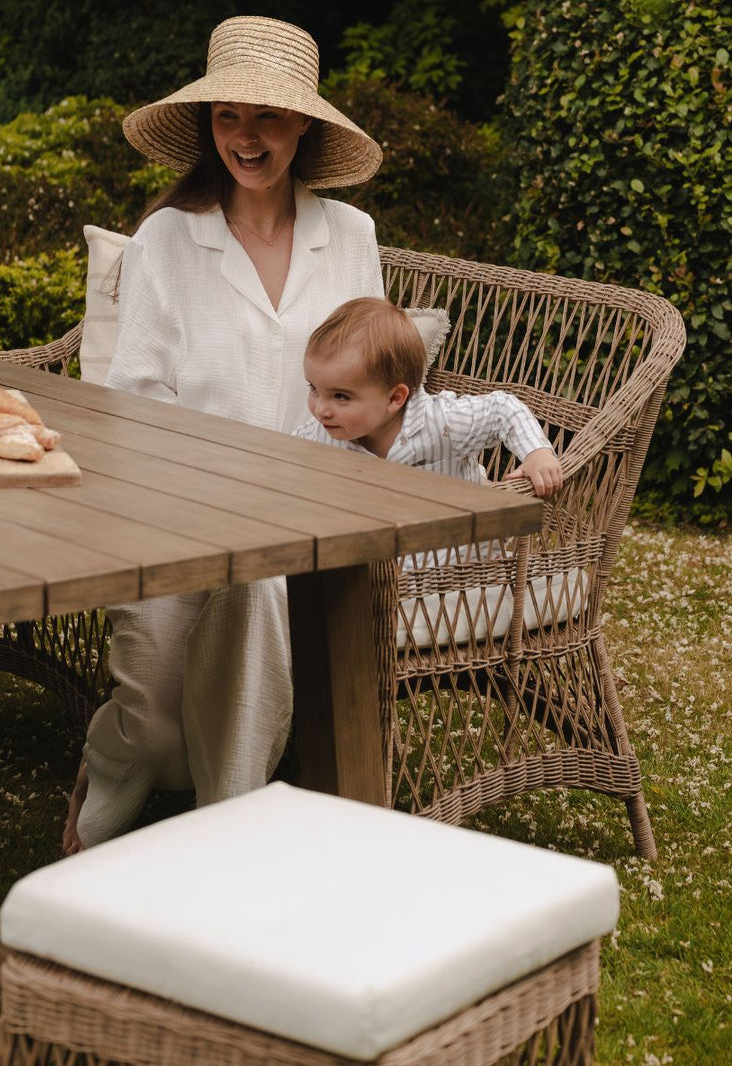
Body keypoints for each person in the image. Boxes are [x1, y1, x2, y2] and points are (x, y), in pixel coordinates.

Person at [63, 16, 385, 854]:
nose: (246, 137)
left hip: (309, 516)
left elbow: (379, 390)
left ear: (304, 126)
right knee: (156, 728)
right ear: (208, 127)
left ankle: (225, 834)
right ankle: (117, 757)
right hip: (175, 507)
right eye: (228, 117)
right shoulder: (167, 237)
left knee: (261, 589)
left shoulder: (350, 238)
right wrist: (209, 496)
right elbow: (133, 398)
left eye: (268, 117)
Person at [294, 297, 564, 495]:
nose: (321, 410)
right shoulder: (320, 435)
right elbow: (285, 461)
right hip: (383, 559)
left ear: (394, 399)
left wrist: (537, 453)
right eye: (314, 388)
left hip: (460, 559)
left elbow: (501, 409)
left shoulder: (443, 422)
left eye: (340, 396)